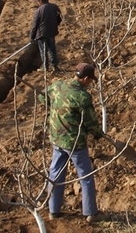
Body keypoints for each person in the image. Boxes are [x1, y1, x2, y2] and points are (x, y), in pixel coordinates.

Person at [46, 62, 109, 223]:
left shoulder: (57, 85)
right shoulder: (82, 96)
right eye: (90, 81)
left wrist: (57, 108)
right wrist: (97, 134)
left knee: (56, 174)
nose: (90, 84)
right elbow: (90, 122)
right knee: (85, 176)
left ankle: (53, 211)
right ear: (85, 78)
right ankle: (91, 213)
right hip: (74, 143)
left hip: (56, 138)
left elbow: (42, 97)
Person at [30, 0, 62, 73]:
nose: (37, 2)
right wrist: (55, 25)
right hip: (51, 32)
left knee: (43, 51)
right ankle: (55, 66)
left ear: (40, 1)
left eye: (38, 0)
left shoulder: (38, 11)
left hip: (42, 34)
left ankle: (45, 67)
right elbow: (59, 18)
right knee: (52, 49)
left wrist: (32, 37)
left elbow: (35, 25)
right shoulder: (54, 7)